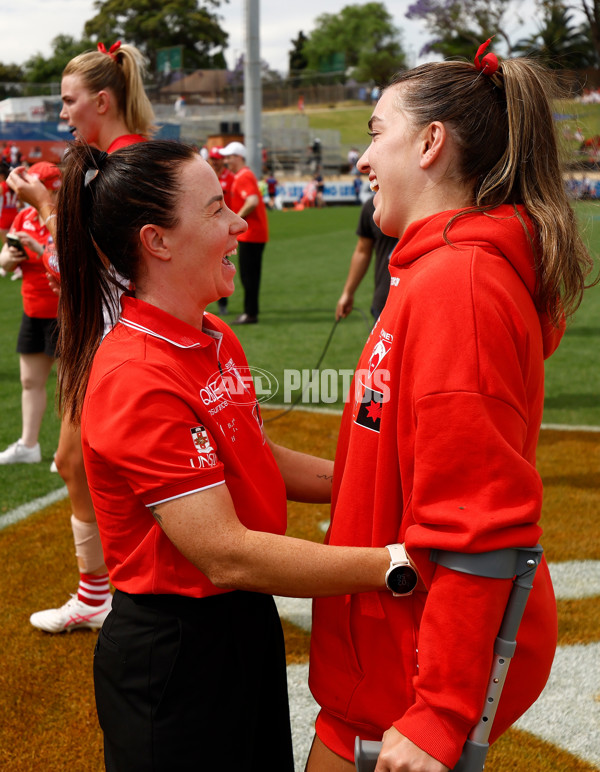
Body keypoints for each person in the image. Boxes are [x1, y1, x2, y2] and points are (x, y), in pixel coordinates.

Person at [54, 139, 390, 771]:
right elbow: (225, 552)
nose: (240, 222)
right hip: (175, 653)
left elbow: (255, 455)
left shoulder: (213, 333)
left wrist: (383, 484)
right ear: (157, 241)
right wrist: (394, 564)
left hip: (243, 623)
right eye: (216, 210)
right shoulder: (135, 374)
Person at [306, 43, 596, 771]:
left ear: (432, 143)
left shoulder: (457, 285)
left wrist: (440, 712)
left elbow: (479, 519)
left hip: (403, 678)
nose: (363, 158)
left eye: (376, 132)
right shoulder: (437, 274)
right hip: (381, 664)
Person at [8, 40, 155, 634]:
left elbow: (87, 270)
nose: (62, 114)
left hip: (117, 339)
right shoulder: (119, 158)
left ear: (101, 99)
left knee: (95, 465)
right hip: (110, 337)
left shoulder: (118, 167)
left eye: (69, 102)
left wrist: (44, 208)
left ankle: (111, 594)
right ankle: (107, 592)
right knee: (78, 463)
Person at [0, 162, 61, 466]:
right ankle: (29, 444)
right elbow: (4, 262)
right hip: (32, 309)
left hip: (65, 313)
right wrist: (8, 257)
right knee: (29, 381)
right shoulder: (24, 216)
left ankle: (68, 451)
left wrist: (39, 249)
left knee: (70, 387)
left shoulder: (62, 217)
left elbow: (71, 262)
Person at [220, 141, 269, 325]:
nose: (226, 161)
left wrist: (237, 218)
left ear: (238, 157)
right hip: (253, 234)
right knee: (249, 275)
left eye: (229, 157)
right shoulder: (243, 176)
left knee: (249, 276)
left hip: (251, 234)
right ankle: (250, 312)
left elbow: (253, 200)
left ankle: (250, 313)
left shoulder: (243, 176)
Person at [335, 194, 397, 323]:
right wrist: (348, 292)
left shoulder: (436, 202)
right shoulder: (372, 206)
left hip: (427, 302)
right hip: (385, 300)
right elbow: (362, 251)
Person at [208, 146, 236, 315]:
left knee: (222, 265)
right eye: (213, 158)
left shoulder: (231, 178)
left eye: (217, 159)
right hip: (207, 227)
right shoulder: (207, 177)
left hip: (224, 228)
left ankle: (222, 304)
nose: (215, 161)